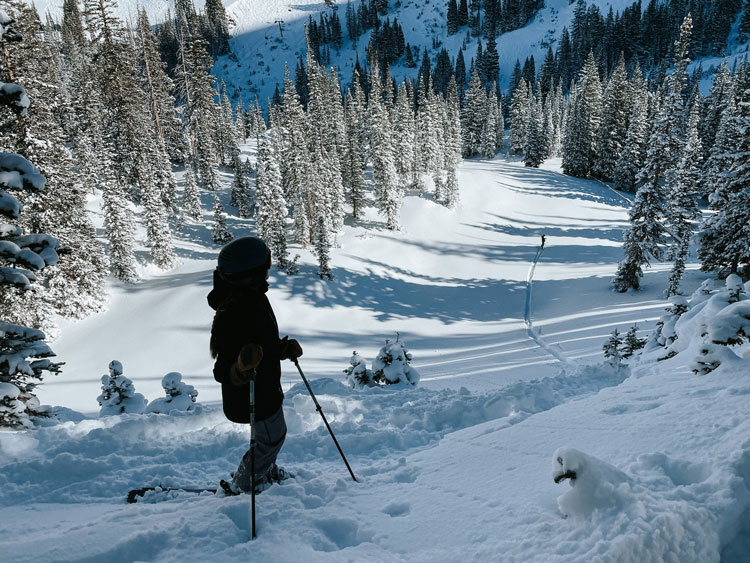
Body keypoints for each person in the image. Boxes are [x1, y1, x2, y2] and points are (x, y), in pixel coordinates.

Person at [207, 237, 303, 494]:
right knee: (272, 438)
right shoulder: (235, 311)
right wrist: (240, 368)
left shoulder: (251, 298)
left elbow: (260, 342)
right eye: (266, 266)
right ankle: (248, 480)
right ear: (251, 272)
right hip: (252, 393)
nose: (269, 271)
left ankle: (263, 469)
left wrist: (280, 349)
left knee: (270, 437)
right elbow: (221, 370)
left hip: (265, 386)